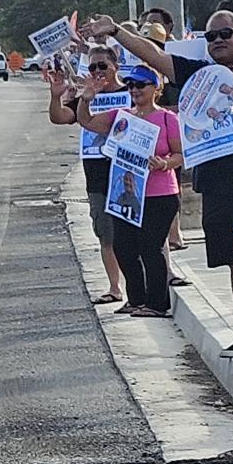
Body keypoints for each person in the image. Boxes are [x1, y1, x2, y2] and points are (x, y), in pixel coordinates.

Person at [87, 8, 233, 354]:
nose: (218, 40)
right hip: (216, 183)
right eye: (211, 36)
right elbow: (156, 56)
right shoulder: (199, 74)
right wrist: (115, 31)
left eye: (226, 33)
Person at [80, 64, 183, 318]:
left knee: (151, 247)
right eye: (131, 85)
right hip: (126, 193)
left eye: (140, 85)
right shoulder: (121, 116)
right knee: (124, 247)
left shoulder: (168, 119)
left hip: (160, 193)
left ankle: (158, 303)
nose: (134, 90)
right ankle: (136, 298)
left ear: (155, 88)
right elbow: (88, 122)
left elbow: (181, 154)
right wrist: (86, 100)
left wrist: (165, 163)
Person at [44, 47, 127, 305]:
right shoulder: (85, 97)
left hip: (130, 171)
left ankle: (153, 280)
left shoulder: (132, 91)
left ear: (116, 66)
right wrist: (56, 97)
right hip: (98, 172)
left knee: (139, 231)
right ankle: (115, 287)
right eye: (92, 68)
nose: (98, 72)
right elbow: (60, 117)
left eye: (102, 66)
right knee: (105, 231)